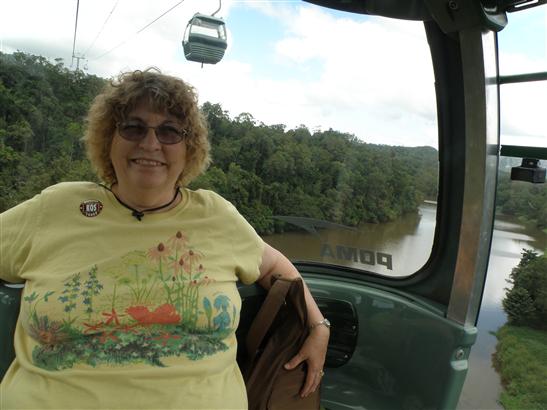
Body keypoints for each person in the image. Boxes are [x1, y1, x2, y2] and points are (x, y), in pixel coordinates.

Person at [0, 68, 330, 409]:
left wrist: (318, 326)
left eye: (170, 131)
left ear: (189, 149)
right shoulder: (55, 208)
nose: (150, 143)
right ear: (108, 139)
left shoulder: (216, 216)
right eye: (133, 127)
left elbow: (275, 265)